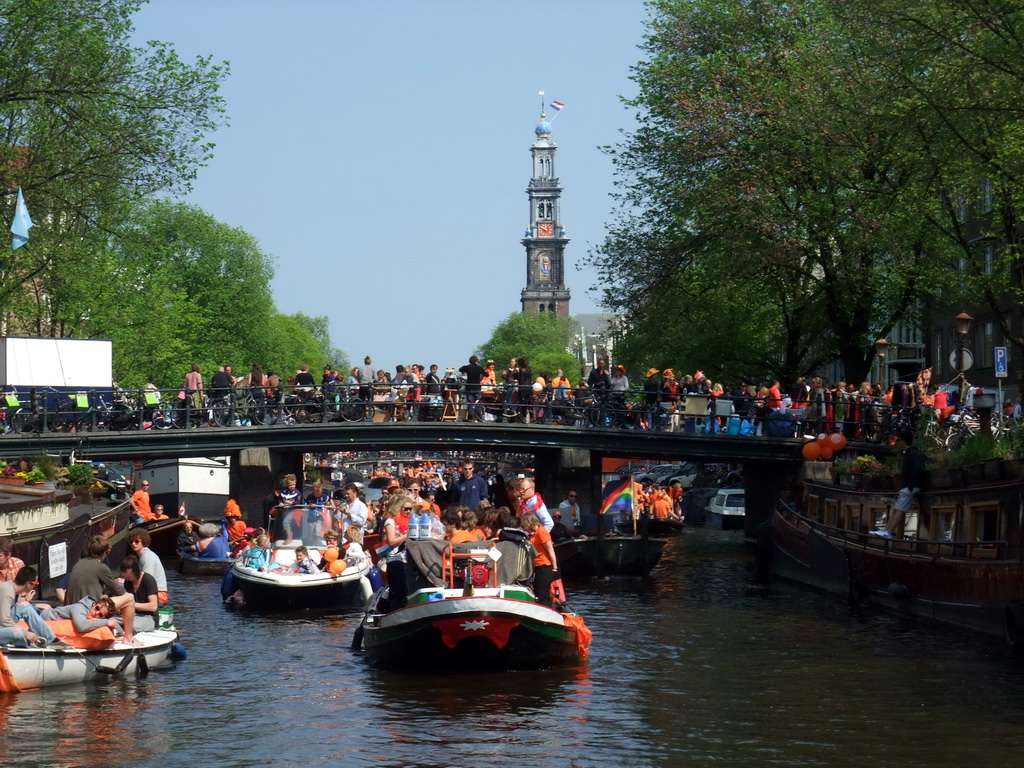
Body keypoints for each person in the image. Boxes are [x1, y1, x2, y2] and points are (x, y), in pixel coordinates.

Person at [873, 428, 923, 539]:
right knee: (897, 509)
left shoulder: (913, 454)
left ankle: (888, 532)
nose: (898, 442)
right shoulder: (910, 453)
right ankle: (886, 530)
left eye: (899, 440)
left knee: (900, 509)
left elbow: (916, 469)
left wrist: (910, 486)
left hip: (910, 487)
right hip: (908, 486)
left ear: (903, 441)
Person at [0, 566, 63, 648]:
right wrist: (26, 633)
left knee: (26, 607)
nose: (35, 587)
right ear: (28, 583)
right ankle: (29, 642)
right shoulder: (8, 591)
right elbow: (4, 620)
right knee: (18, 632)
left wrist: (26, 601)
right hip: (2, 624)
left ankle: (52, 640)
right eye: (35, 584)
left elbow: (15, 606)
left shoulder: (11, 588)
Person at [381, 493, 413, 610]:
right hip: (395, 560)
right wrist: (407, 535)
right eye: (406, 509)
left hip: (408, 560)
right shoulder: (390, 521)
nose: (409, 511)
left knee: (406, 590)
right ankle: (393, 612)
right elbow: (391, 541)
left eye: (411, 509)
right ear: (399, 508)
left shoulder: (410, 522)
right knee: (398, 591)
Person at [520, 513, 558, 608]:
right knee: (538, 591)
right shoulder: (534, 534)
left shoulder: (541, 532)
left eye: (524, 526)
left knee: (542, 594)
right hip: (537, 566)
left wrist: (554, 567)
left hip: (544, 566)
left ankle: (547, 612)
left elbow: (550, 549)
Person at [40, 594, 121, 636]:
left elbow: (118, 629)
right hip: (39, 616)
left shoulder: (96, 618)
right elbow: (81, 626)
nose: (96, 613)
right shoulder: (80, 608)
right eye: (97, 608)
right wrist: (106, 622)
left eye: (100, 615)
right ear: (94, 604)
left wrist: (110, 622)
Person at [127, 528, 168, 604]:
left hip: (158, 595)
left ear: (144, 541)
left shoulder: (147, 557)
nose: (133, 544)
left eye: (136, 541)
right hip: (152, 592)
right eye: (131, 541)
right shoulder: (143, 556)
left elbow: (146, 580)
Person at [459, 355, 486, 422]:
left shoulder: (468, 367)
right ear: (476, 361)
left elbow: (460, 369)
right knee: (478, 402)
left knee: (470, 403)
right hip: (477, 387)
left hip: (469, 387)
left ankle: (470, 417)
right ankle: (479, 417)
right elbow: (486, 374)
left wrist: (465, 366)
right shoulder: (479, 368)